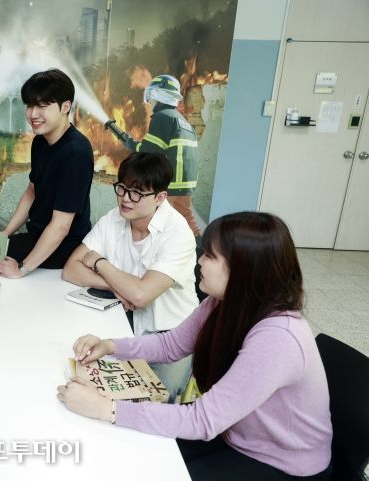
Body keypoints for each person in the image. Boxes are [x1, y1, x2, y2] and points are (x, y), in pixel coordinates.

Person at [57, 212, 332, 481]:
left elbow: (202, 420)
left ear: (243, 268)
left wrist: (107, 408)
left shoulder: (279, 337)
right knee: (134, 454)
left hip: (280, 464)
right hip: (234, 435)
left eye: (210, 255)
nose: (200, 261)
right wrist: (110, 346)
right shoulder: (222, 303)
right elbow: (170, 345)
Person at [61, 151, 198, 400]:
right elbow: (71, 269)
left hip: (172, 335)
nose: (125, 198)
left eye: (137, 193)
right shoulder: (113, 219)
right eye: (122, 188)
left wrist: (100, 262)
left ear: (160, 197)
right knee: (79, 375)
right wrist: (116, 287)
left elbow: (141, 295)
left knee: (152, 401)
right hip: (125, 322)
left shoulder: (178, 234)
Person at [0, 68, 93, 278]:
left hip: (65, 247)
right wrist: (5, 234)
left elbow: (61, 226)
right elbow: (32, 192)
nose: (33, 114)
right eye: (29, 105)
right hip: (38, 235)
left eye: (42, 106)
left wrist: (22, 269)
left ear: (66, 107)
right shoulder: (40, 141)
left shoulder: (76, 154)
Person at [125, 74, 201, 236]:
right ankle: (201, 248)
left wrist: (129, 142)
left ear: (158, 95)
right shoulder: (182, 121)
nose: (150, 100)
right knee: (186, 222)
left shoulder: (163, 117)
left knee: (153, 224)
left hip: (170, 184)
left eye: (152, 95)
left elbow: (147, 151)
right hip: (185, 185)